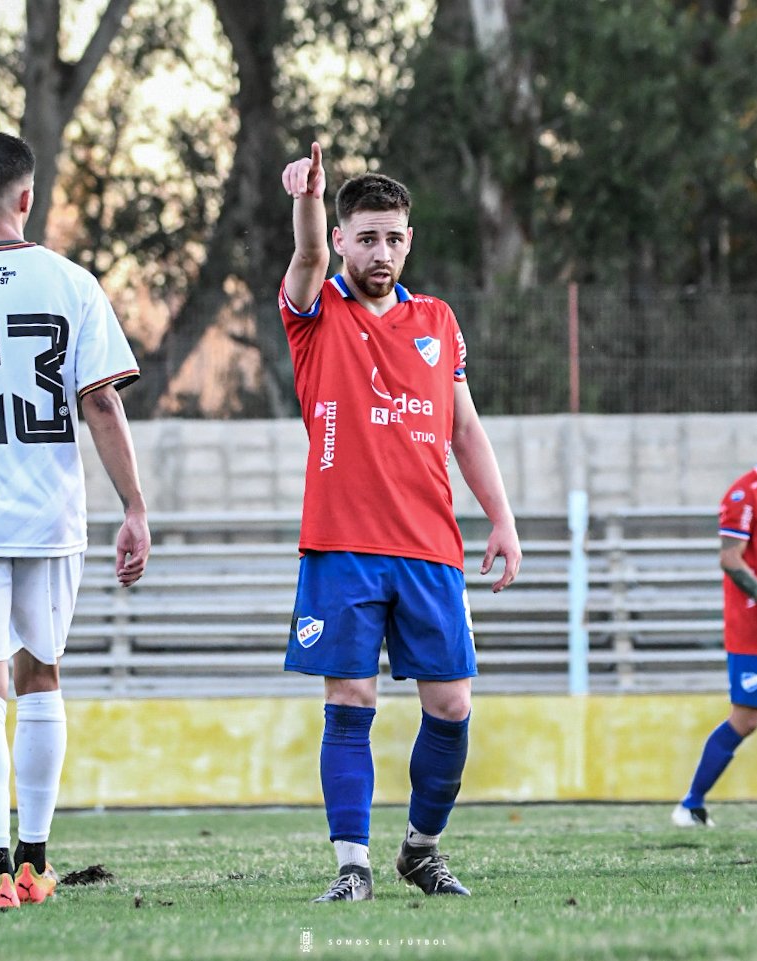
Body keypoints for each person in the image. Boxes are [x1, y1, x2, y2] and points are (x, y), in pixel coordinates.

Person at [279, 142, 521, 902]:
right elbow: (306, 255)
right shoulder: (314, 311)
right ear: (343, 239)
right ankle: (351, 866)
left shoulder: (437, 320)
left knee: (451, 707)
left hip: (428, 545)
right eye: (366, 237)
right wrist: (308, 200)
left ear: (408, 240)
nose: (379, 252)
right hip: (341, 545)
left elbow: (464, 429)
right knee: (349, 702)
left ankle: (420, 850)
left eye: (392, 238)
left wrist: (502, 518)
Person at [0, 133, 150, 909]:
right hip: (48, 515)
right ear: (27, 197)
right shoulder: (70, 281)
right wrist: (135, 506)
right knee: (40, 674)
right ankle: (34, 861)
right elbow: (101, 402)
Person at [672, 465, 757, 828]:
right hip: (750, 630)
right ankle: (690, 805)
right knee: (746, 718)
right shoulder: (745, 493)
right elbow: (730, 558)